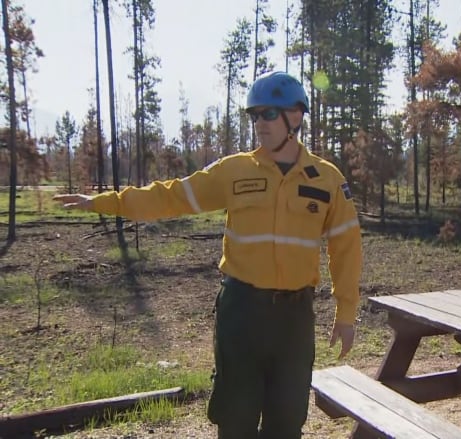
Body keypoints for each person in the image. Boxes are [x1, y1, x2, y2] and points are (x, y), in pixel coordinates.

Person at [53, 71, 362, 439]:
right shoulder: (234, 171)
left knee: (287, 419)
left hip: (295, 319)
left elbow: (346, 246)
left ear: (295, 116)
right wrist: (106, 202)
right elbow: (171, 196)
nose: (258, 124)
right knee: (235, 417)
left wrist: (346, 313)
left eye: (267, 114)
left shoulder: (325, 179)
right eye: (253, 115)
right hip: (242, 311)